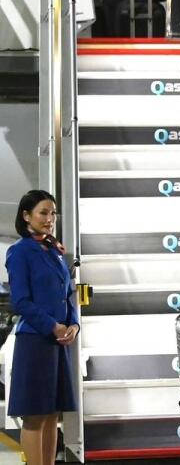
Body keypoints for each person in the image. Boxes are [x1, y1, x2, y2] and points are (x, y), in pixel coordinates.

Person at [6, 190, 77, 465]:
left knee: (51, 415)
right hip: (35, 341)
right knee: (35, 416)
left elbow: (67, 294)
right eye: (43, 213)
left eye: (53, 213)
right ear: (26, 216)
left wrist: (74, 325)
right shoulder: (20, 252)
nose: (50, 219)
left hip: (58, 342)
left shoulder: (53, 250)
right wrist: (53, 327)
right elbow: (21, 301)